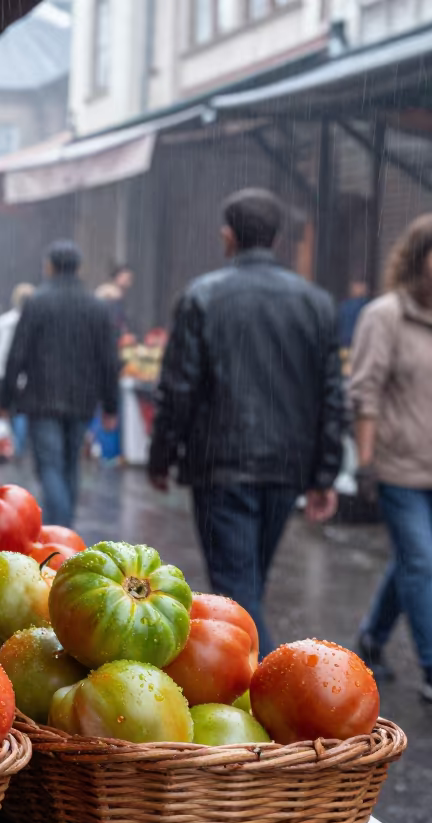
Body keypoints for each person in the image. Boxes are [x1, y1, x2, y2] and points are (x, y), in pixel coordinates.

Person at [148, 188, 344, 657]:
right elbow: (331, 393)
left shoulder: (202, 295)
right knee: (248, 581)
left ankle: (276, 685)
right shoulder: (314, 302)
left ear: (228, 235)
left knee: (237, 592)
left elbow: (179, 387)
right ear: (276, 238)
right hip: (286, 465)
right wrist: (323, 472)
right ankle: (271, 687)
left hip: (221, 464)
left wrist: (162, 454)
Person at [351, 215, 432, 696]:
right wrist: (365, 462)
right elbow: (366, 393)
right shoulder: (385, 316)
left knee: (410, 558)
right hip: (399, 467)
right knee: (421, 561)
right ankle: (431, 665)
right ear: (418, 259)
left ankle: (374, 635)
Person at [1, 243, 119, 527]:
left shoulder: (37, 302)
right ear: (79, 268)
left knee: (50, 465)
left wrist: (5, 398)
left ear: (49, 266)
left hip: (42, 398)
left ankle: (59, 528)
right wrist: (111, 405)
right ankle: (66, 529)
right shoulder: (96, 307)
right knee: (70, 464)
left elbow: (17, 353)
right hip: (82, 399)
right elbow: (108, 359)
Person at [0, 283, 36, 456]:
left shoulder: (1, 322)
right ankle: (19, 447)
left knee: (0, 410)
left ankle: (0, 447)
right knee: (20, 412)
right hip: (23, 375)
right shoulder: (35, 324)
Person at [339, 278, 370, 348]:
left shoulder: (367, 306)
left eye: (360, 286)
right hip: (348, 342)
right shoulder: (346, 306)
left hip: (355, 343)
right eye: (356, 286)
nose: (358, 289)